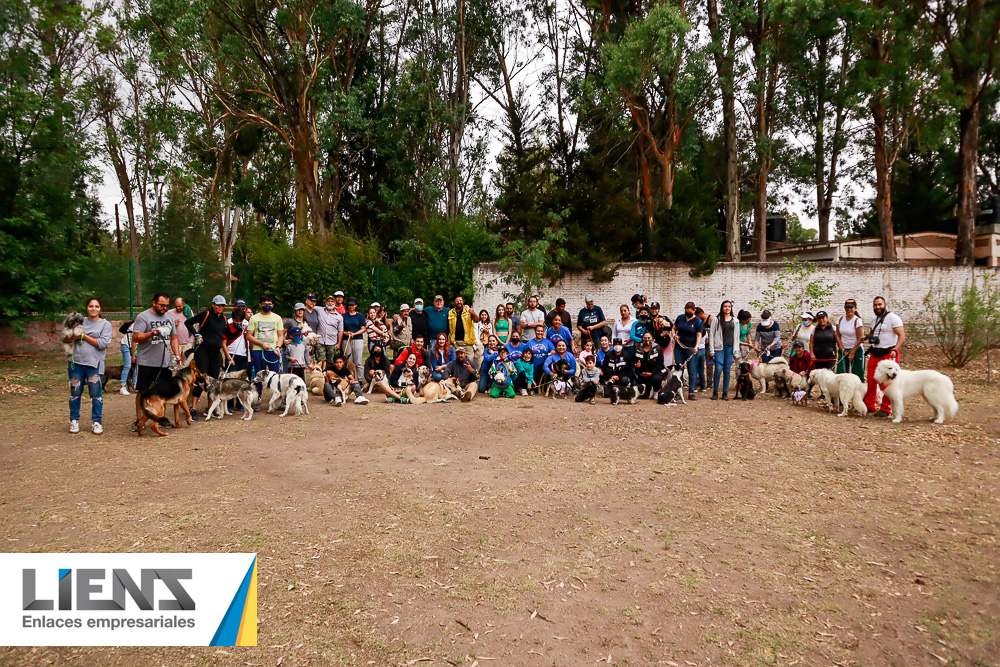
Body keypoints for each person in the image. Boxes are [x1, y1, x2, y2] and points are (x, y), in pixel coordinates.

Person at [131, 292, 181, 431]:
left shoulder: (169, 318)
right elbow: (136, 337)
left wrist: (177, 355)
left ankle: (160, 418)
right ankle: (139, 420)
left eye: (167, 306)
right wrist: (150, 334)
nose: (165, 308)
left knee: (163, 392)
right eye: (162, 305)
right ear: (154, 303)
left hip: (164, 362)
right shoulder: (143, 317)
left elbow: (174, 338)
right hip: (147, 362)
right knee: (143, 391)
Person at [64, 297, 112, 434]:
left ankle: (96, 421)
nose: (93, 309)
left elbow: (102, 343)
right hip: (76, 362)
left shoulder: (105, 325)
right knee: (75, 393)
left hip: (94, 364)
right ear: (87, 307)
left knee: (96, 394)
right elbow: (65, 338)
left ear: (100, 308)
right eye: (91, 306)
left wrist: (83, 336)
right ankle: (74, 421)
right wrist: (72, 336)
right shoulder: (78, 322)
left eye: (96, 306)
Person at [185, 295, 232, 419]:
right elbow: (188, 322)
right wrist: (196, 334)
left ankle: (210, 409)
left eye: (223, 305)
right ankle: (193, 409)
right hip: (203, 350)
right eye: (218, 305)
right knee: (202, 378)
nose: (220, 307)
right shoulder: (205, 315)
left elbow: (228, 334)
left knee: (214, 380)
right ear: (213, 304)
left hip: (216, 353)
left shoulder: (224, 320)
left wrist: (240, 329)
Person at [864, 296, 905, 416]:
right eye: (875, 305)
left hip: (888, 353)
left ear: (885, 305)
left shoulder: (893, 318)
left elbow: (901, 335)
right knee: (871, 379)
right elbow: (873, 333)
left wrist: (895, 349)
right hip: (875, 352)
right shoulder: (874, 319)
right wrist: (866, 337)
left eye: (880, 305)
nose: (877, 307)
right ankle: (869, 405)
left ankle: (885, 408)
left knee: (887, 381)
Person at [246, 294, 284, 397]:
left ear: (273, 305)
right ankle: (257, 398)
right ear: (260, 305)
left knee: (276, 377)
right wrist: (261, 344)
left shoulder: (277, 318)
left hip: (272, 351)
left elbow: (281, 335)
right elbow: (248, 336)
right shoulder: (254, 318)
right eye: (264, 304)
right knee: (258, 376)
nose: (267, 306)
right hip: (258, 351)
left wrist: (278, 347)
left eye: (269, 304)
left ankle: (277, 398)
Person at [709, 300, 740, 400]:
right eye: (725, 306)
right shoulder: (716, 320)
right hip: (719, 348)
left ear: (731, 308)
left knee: (727, 369)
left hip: (730, 348)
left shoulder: (735, 321)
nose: (727, 308)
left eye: (729, 306)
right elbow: (711, 335)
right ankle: (715, 392)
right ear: (722, 308)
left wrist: (736, 352)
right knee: (718, 369)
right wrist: (711, 350)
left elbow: (737, 337)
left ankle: (725, 393)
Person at [673, 302, 703, 401]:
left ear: (694, 311)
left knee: (692, 369)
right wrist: (674, 335)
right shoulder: (680, 318)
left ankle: (691, 391)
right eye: (686, 312)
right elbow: (674, 328)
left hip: (690, 348)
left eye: (690, 313)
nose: (687, 314)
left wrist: (697, 346)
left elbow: (699, 335)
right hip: (679, 347)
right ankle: (678, 391)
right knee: (679, 369)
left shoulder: (698, 321)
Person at [224, 306, 250, 411]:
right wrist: (229, 357)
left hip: (243, 356)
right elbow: (224, 343)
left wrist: (246, 330)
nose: (238, 323)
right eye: (236, 321)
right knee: (230, 381)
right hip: (231, 355)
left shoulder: (245, 326)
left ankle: (240, 403)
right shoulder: (228, 327)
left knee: (241, 381)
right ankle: (229, 404)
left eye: (240, 321)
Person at [835, 299, 865, 381]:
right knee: (841, 373)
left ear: (855, 308)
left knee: (857, 374)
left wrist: (852, 352)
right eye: (847, 307)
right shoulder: (840, 319)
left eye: (851, 308)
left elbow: (860, 338)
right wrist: (842, 348)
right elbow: (837, 335)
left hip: (856, 349)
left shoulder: (857, 321)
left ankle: (859, 391)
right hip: (844, 349)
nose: (849, 310)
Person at [601, 338, 635, 404]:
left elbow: (627, 368)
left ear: (622, 345)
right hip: (611, 378)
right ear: (613, 346)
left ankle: (621, 391)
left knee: (625, 380)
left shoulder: (626, 355)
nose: (617, 346)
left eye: (619, 344)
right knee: (607, 394)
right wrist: (611, 376)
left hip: (621, 377)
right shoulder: (608, 355)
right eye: (616, 344)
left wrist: (619, 376)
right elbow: (604, 367)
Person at [315, 296, 344, 370]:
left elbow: (340, 331)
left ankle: (329, 377)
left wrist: (339, 343)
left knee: (331, 361)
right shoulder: (319, 310)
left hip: (332, 342)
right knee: (320, 361)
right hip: (320, 341)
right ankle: (320, 377)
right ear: (325, 302)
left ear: (335, 303)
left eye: (332, 301)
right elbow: (310, 307)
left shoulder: (339, 317)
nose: (330, 303)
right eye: (328, 301)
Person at [633, 331, 664, 399]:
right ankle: (648, 391)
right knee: (645, 396)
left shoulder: (658, 348)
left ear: (652, 339)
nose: (647, 340)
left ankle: (656, 391)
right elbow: (631, 361)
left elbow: (660, 364)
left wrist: (652, 373)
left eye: (649, 338)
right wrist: (635, 365)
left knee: (656, 379)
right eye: (645, 338)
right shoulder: (637, 348)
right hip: (642, 373)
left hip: (654, 372)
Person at [340, 297, 366, 370]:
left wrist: (355, 334)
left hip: (358, 339)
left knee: (358, 361)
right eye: (349, 305)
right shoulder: (343, 316)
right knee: (348, 361)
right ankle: (349, 377)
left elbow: (363, 328)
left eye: (352, 305)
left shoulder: (360, 316)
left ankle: (360, 380)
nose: (351, 306)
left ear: (356, 305)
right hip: (346, 339)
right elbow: (341, 329)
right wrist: (346, 333)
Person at [170, 297, 195, 365]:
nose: (178, 308)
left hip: (188, 343)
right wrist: (173, 324)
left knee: (187, 365)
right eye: (176, 306)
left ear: (184, 304)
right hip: (175, 344)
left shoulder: (189, 312)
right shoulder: (170, 313)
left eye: (179, 306)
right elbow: (166, 328)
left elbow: (193, 324)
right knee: (175, 365)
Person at [694, 307, 713, 392]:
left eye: (697, 316)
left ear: (701, 314)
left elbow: (715, 332)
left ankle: (709, 382)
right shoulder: (698, 321)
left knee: (709, 364)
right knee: (699, 364)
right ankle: (699, 383)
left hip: (709, 344)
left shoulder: (711, 319)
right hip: (701, 344)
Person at [118, 319, 135, 395]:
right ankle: (123, 387)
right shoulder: (136, 324)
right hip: (126, 345)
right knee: (127, 365)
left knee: (136, 366)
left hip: (136, 346)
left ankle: (134, 385)